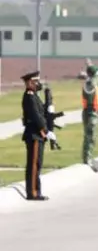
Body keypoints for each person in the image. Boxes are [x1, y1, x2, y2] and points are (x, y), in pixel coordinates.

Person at [20, 71, 53, 201]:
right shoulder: (29, 96)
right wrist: (45, 130)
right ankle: (33, 192)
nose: (38, 84)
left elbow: (42, 112)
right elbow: (35, 116)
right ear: (30, 83)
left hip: (37, 134)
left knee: (37, 163)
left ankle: (36, 190)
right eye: (36, 81)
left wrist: (49, 102)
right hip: (34, 134)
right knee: (33, 165)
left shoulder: (34, 96)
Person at [81, 64, 98, 165]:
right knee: (90, 136)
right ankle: (87, 158)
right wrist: (94, 71)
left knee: (90, 136)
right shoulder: (90, 84)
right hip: (91, 113)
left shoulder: (91, 82)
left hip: (93, 112)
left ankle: (88, 157)